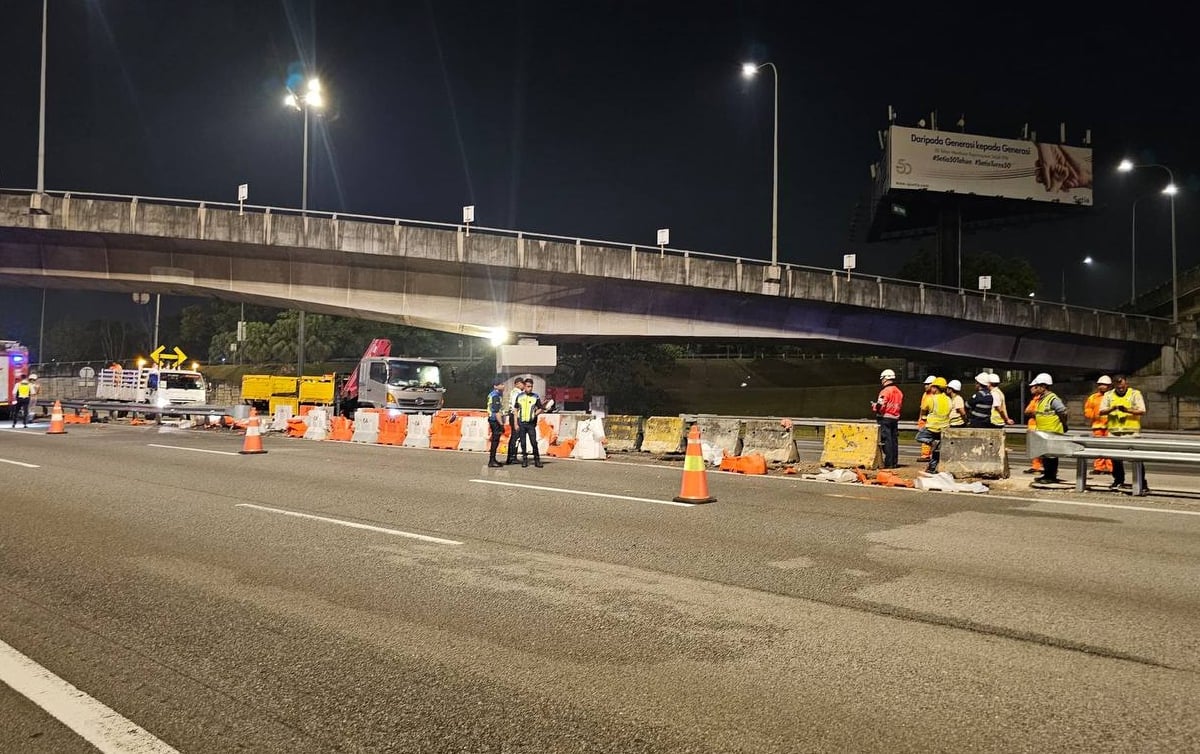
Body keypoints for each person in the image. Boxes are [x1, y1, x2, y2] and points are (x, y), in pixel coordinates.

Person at [1099, 375, 1148, 494]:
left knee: (1136, 459)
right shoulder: (1109, 395)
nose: (1120, 389)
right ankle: (1118, 480)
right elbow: (1102, 411)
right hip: (1114, 432)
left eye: (1122, 386)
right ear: (1114, 385)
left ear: (1126, 384)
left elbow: (1142, 410)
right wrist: (1113, 408)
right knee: (1115, 459)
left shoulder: (1135, 394)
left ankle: (1141, 482)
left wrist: (1127, 410)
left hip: (1131, 432)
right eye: (1118, 387)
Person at [1026, 373, 1069, 484]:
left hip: (1052, 431)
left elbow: (1063, 411)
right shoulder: (1041, 399)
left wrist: (1063, 424)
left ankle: (1051, 476)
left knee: (1051, 456)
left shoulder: (1052, 398)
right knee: (1046, 456)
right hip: (1044, 432)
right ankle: (1047, 475)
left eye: (1038, 386)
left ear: (1044, 386)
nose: (1035, 388)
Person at [920, 377, 953, 474]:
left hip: (932, 426)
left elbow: (923, 409)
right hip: (944, 427)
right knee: (936, 451)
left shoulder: (931, 399)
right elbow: (950, 410)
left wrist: (923, 417)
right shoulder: (948, 399)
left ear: (935, 388)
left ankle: (932, 443)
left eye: (932, 387)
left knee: (920, 437)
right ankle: (932, 468)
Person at [871, 369, 903, 469]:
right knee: (894, 441)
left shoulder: (885, 391)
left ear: (885, 378)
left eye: (882, 379)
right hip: (895, 418)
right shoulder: (899, 391)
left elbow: (881, 405)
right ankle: (894, 462)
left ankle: (888, 463)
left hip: (885, 418)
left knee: (887, 441)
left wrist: (874, 406)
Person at [1083, 376, 1113, 475]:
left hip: (1110, 426)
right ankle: (1098, 467)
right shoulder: (1093, 397)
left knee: (1110, 447)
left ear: (1109, 386)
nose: (1102, 387)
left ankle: (1110, 468)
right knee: (1098, 447)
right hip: (1097, 425)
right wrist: (1095, 415)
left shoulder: (1113, 396)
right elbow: (1087, 410)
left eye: (1104, 385)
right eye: (1100, 385)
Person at [513, 378, 544, 468]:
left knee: (533, 442)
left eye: (531, 386)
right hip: (522, 422)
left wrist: (534, 414)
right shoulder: (520, 396)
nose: (530, 388)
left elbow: (541, 408)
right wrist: (515, 423)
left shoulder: (535, 396)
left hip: (531, 423)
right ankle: (525, 460)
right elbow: (515, 409)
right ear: (524, 386)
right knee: (523, 442)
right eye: (528, 386)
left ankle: (537, 460)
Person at [485, 376, 507, 468]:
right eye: (501, 384)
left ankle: (493, 459)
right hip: (495, 420)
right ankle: (491, 460)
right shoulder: (495, 396)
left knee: (496, 440)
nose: (503, 386)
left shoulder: (497, 394)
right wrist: (501, 424)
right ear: (495, 386)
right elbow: (497, 411)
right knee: (495, 440)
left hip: (494, 419)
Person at [505, 377, 526, 464]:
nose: (523, 385)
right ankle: (512, 457)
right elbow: (515, 407)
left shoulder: (519, 392)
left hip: (516, 416)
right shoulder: (516, 393)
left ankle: (512, 456)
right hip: (515, 416)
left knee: (516, 436)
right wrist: (516, 421)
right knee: (515, 437)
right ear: (517, 384)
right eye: (522, 383)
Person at [917, 375, 937, 461]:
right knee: (924, 439)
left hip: (931, 420)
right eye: (925, 384)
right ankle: (925, 454)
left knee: (928, 438)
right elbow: (922, 408)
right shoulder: (925, 394)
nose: (925, 386)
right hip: (924, 420)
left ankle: (928, 455)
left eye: (927, 384)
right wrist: (920, 418)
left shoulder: (935, 396)